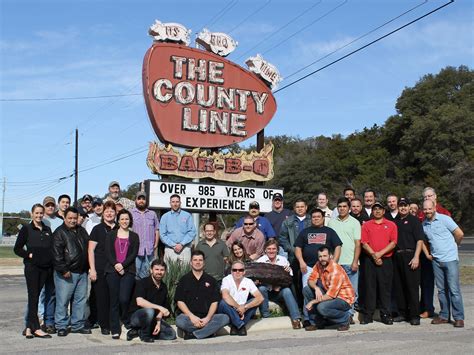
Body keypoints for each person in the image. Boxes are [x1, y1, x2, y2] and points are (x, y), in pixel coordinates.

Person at [294, 208, 342, 327]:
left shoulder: (329, 231)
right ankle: (308, 318)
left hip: (326, 268)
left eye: (318, 217)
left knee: (327, 291)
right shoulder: (305, 232)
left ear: (323, 218)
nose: (316, 219)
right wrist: (301, 261)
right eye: (314, 217)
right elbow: (298, 248)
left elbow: (338, 246)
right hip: (309, 268)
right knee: (307, 291)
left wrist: (334, 263)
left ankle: (325, 316)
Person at [422, 199, 465, 328]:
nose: (427, 211)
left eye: (429, 209)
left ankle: (458, 317)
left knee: (453, 289)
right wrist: (427, 254)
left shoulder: (445, 219)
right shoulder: (424, 224)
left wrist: (454, 246)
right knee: (441, 290)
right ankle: (444, 315)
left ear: (434, 208)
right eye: (425, 209)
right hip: (436, 260)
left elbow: (459, 233)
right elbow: (423, 241)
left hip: (450, 259)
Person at [14, 204, 54, 339]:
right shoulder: (26, 229)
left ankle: (28, 328)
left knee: (36, 297)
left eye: (41, 213)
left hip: (45, 269)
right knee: (33, 296)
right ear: (32, 214)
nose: (39, 215)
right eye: (36, 213)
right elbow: (17, 249)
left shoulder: (47, 229)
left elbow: (50, 248)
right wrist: (29, 255)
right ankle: (36, 327)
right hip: (32, 268)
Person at [52, 207, 90, 336]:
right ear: (64, 217)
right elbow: (56, 254)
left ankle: (77, 324)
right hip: (67, 273)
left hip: (82, 272)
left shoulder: (82, 231)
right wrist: (63, 269)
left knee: (80, 300)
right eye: (70, 218)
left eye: (75, 218)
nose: (73, 221)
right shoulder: (59, 232)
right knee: (63, 300)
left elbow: (88, 249)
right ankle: (61, 325)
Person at [175, 250, 229, 340]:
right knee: (179, 321)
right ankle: (208, 332)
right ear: (191, 263)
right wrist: (192, 317)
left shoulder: (211, 280)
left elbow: (214, 302)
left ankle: (194, 334)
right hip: (189, 318)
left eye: (200, 260)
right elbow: (180, 301)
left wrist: (207, 318)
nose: (198, 262)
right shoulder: (184, 280)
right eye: (195, 260)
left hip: (207, 318)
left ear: (204, 263)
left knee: (224, 318)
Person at [359, 202, 397, 325]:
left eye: (379, 209)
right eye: (375, 209)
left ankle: (385, 314)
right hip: (370, 260)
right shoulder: (366, 225)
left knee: (385, 288)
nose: (377, 211)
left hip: (385, 260)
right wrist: (374, 255)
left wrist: (380, 254)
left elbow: (393, 242)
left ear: (383, 211)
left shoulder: (391, 225)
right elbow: (364, 242)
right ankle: (368, 315)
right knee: (370, 287)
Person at [417, 187, 451, 319]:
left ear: (435, 197)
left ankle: (446, 311)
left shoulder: (444, 212)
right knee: (426, 282)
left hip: (442, 254)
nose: (427, 198)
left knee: (444, 285)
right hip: (427, 254)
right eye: (425, 197)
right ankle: (427, 308)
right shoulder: (422, 213)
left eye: (430, 196)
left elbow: (454, 233)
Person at [105, 209, 139, 339]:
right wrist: (116, 265)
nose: (124, 221)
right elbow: (108, 252)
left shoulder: (134, 236)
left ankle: (125, 320)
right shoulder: (111, 235)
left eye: (127, 219)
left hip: (128, 270)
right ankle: (115, 328)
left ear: (130, 220)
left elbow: (133, 253)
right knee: (113, 300)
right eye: (122, 219)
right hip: (112, 270)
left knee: (124, 298)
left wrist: (123, 265)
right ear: (118, 220)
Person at [303, 247, 355, 331]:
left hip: (344, 299)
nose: (322, 258)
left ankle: (345, 319)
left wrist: (312, 302)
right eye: (320, 256)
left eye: (324, 256)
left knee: (322, 307)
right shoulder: (318, 264)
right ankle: (316, 322)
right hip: (330, 294)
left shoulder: (335, 270)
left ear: (330, 256)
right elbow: (311, 279)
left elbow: (330, 296)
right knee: (307, 290)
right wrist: (316, 288)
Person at [328, 197, 361, 323]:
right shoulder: (332, 222)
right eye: (340, 206)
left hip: (350, 262)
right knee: (337, 291)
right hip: (336, 263)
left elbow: (358, 244)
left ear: (349, 208)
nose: (342, 209)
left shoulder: (355, 222)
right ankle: (340, 315)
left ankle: (350, 314)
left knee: (351, 291)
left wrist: (355, 261)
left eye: (344, 206)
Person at [126, 259, 176, 342]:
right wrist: (160, 308)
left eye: (162, 270)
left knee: (171, 334)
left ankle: (140, 332)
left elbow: (162, 308)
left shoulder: (163, 287)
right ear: (151, 270)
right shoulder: (142, 283)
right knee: (149, 311)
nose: (159, 272)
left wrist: (158, 323)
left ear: (165, 271)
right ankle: (145, 336)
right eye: (156, 269)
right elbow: (140, 301)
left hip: (153, 319)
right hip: (137, 317)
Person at [393, 198, 425, 326]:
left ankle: (414, 315)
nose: (403, 208)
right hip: (397, 256)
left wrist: (416, 256)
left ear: (408, 207)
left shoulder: (414, 221)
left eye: (405, 206)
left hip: (411, 255)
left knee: (412, 287)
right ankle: (402, 313)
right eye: (400, 206)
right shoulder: (395, 222)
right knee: (399, 287)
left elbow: (420, 240)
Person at [256, 239, 302, 329]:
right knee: (261, 289)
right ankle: (266, 315)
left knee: (287, 291)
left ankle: (296, 318)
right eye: (269, 249)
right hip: (266, 291)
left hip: (279, 290)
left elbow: (289, 279)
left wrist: (288, 272)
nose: (271, 251)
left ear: (277, 250)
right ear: (265, 250)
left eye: (273, 249)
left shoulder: (283, 260)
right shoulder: (260, 261)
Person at [88, 200, 117, 335]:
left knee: (113, 297)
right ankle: (104, 324)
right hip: (100, 268)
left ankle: (113, 322)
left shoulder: (119, 228)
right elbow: (91, 250)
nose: (109, 214)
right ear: (103, 214)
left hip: (115, 269)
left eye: (112, 211)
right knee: (101, 297)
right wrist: (92, 269)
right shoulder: (97, 229)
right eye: (107, 211)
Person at [278, 198, 311, 309]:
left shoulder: (312, 220)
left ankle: (309, 305)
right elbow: (282, 238)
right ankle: (298, 306)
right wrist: (291, 249)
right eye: (297, 207)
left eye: (302, 206)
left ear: (306, 207)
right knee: (295, 282)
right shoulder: (288, 221)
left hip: (310, 256)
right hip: (293, 257)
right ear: (294, 208)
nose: (300, 209)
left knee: (309, 281)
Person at [219, 261, 264, 336]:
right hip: (230, 309)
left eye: (240, 270)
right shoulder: (226, 279)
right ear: (231, 271)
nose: (237, 272)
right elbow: (225, 295)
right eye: (235, 270)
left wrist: (245, 307)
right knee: (223, 303)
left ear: (244, 272)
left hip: (243, 310)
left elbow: (260, 298)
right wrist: (239, 307)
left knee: (255, 301)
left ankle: (235, 325)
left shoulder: (248, 281)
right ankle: (240, 325)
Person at [38, 196, 61, 333]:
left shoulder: (59, 222)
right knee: (40, 293)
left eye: (52, 205)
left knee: (52, 293)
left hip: (55, 262)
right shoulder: (40, 221)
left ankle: (49, 321)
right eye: (48, 205)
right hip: (41, 263)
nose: (50, 207)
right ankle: (39, 319)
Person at [131, 191, 160, 279]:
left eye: (143, 199)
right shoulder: (131, 213)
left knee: (150, 275)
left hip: (150, 250)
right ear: (136, 200)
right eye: (139, 199)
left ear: (146, 201)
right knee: (135, 274)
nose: (141, 201)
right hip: (136, 250)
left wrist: (156, 244)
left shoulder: (152, 214)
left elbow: (157, 229)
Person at [159, 194, 196, 263]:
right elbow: (162, 234)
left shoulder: (187, 215)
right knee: (169, 271)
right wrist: (173, 245)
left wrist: (181, 244)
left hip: (185, 249)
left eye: (177, 202)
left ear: (180, 203)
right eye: (173, 202)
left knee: (185, 271)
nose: (175, 204)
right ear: (170, 203)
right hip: (170, 249)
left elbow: (192, 232)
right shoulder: (165, 217)